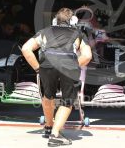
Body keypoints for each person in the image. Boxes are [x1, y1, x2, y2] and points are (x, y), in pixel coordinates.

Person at [21, 8, 92, 147]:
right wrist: (72, 65)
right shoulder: (78, 33)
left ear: (55, 20)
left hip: (47, 64)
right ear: (73, 21)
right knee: (67, 101)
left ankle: (48, 126)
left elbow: (25, 49)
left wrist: (38, 69)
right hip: (68, 65)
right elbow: (88, 56)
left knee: (48, 96)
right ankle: (55, 135)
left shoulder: (45, 31)